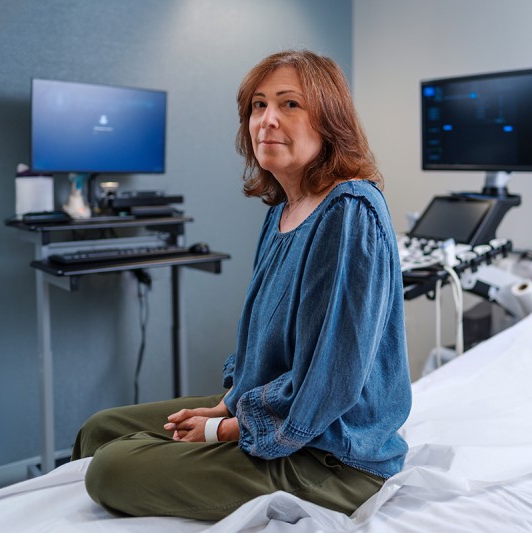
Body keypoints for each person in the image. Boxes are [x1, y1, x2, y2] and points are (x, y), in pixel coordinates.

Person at [71, 49, 412, 522]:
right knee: (100, 431)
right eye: (258, 105)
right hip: (288, 417)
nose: (267, 120)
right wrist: (227, 405)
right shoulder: (282, 211)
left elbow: (329, 381)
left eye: (290, 104)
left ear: (329, 120)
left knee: (110, 470)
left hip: (332, 455)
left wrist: (223, 430)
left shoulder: (349, 212)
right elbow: (258, 351)